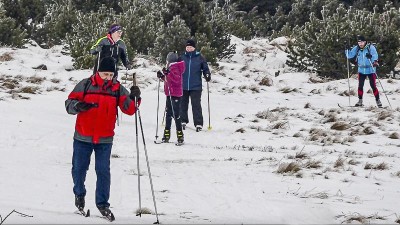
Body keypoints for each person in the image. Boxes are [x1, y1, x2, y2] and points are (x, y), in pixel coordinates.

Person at [65, 56, 141, 220]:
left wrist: (135, 98)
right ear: (98, 72)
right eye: (105, 74)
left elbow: (129, 109)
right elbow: (68, 104)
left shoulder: (117, 88)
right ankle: (79, 195)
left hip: (105, 138)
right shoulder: (85, 84)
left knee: (103, 171)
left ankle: (102, 204)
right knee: (78, 169)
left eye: (110, 74)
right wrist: (77, 106)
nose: (107, 77)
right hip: (83, 136)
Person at [180, 39, 211, 132]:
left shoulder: (199, 57)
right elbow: (175, 68)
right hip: (183, 85)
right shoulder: (182, 57)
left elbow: (205, 68)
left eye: (191, 47)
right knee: (183, 104)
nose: (189, 48)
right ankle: (183, 121)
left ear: (194, 48)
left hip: (196, 86)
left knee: (196, 105)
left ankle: (198, 123)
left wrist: (207, 75)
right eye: (187, 47)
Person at [157, 52, 186, 144]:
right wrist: (162, 76)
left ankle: (180, 134)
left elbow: (176, 79)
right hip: (169, 93)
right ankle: (166, 134)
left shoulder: (175, 67)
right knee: (168, 113)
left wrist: (167, 73)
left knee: (176, 114)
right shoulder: (171, 67)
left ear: (169, 61)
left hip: (175, 94)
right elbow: (168, 79)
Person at [345, 35, 382, 107]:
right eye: (359, 42)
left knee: (373, 86)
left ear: (365, 42)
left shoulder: (370, 47)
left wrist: (371, 57)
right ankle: (360, 101)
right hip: (361, 70)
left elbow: (375, 55)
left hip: (371, 69)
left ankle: (378, 100)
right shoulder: (357, 48)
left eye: (362, 42)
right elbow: (349, 56)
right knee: (360, 86)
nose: (360, 44)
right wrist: (347, 49)